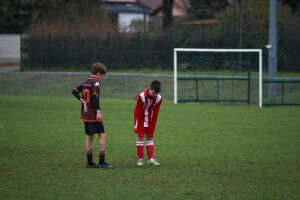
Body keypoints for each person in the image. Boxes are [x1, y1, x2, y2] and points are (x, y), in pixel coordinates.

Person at [72, 63, 114, 169]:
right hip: (93, 113)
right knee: (102, 135)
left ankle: (89, 163)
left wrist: (83, 101)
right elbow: (95, 97)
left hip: (85, 114)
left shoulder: (86, 82)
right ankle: (101, 161)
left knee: (89, 137)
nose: (102, 78)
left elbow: (74, 91)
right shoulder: (95, 82)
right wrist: (98, 111)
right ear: (98, 74)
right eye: (102, 76)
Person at [134, 80, 162, 166]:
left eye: (156, 94)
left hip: (150, 118)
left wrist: (152, 126)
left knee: (149, 136)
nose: (154, 95)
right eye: (153, 93)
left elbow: (156, 113)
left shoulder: (159, 98)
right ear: (149, 89)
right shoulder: (141, 96)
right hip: (139, 117)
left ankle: (151, 159)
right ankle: (140, 160)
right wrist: (140, 126)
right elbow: (138, 111)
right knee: (140, 136)